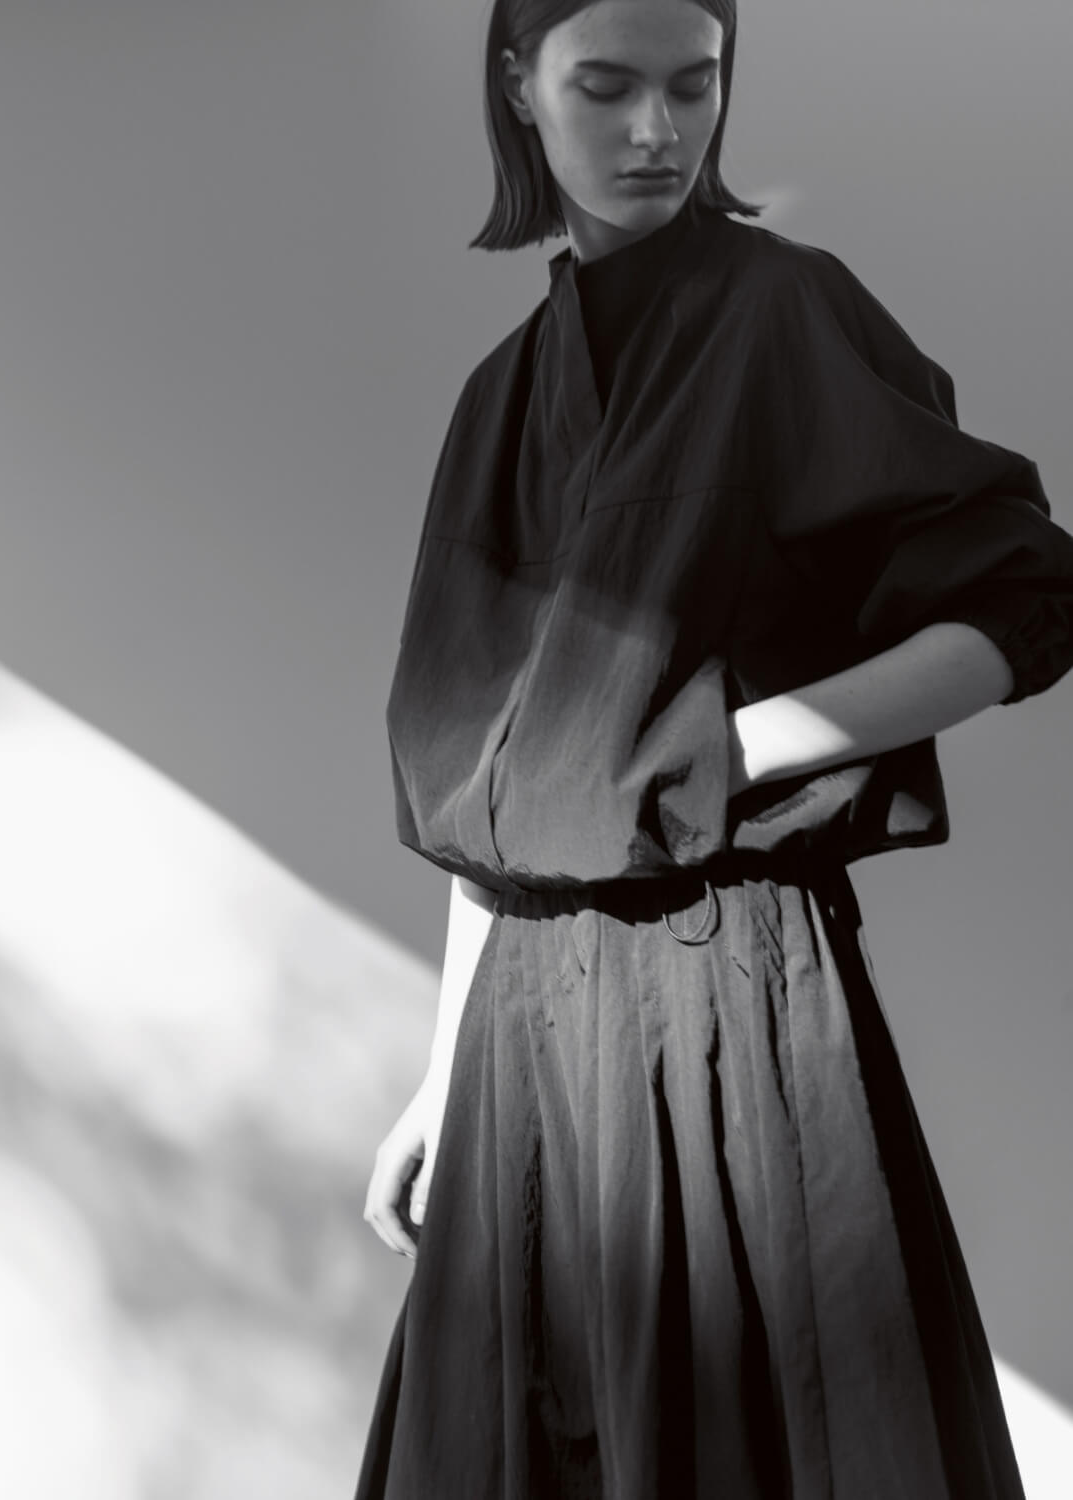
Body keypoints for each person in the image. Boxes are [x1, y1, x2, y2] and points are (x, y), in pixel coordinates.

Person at [357, 1, 1073, 1494]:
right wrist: (438, 1073)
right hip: (520, 1042)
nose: (657, 131)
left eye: (695, 85)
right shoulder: (497, 399)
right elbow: (491, 794)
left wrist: (730, 748)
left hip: (726, 990)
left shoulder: (785, 310)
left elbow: (1020, 602)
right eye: (607, 86)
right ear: (520, 85)